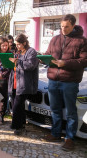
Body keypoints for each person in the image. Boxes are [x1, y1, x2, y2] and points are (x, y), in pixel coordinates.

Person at [42, 14, 87, 151]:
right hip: (53, 80)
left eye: (66, 26)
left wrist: (65, 63)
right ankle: (55, 133)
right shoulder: (55, 39)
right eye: (61, 26)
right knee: (55, 109)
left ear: (73, 25)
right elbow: (48, 53)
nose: (63, 29)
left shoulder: (82, 41)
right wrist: (43, 58)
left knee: (70, 112)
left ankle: (69, 138)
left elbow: (84, 61)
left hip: (69, 82)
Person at [8, 34, 39, 135]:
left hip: (25, 83)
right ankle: (21, 124)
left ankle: (16, 126)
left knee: (17, 105)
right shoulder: (18, 52)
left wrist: (17, 62)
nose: (17, 46)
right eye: (16, 44)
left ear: (24, 43)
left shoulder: (32, 52)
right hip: (15, 81)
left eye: (18, 44)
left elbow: (30, 65)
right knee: (18, 105)